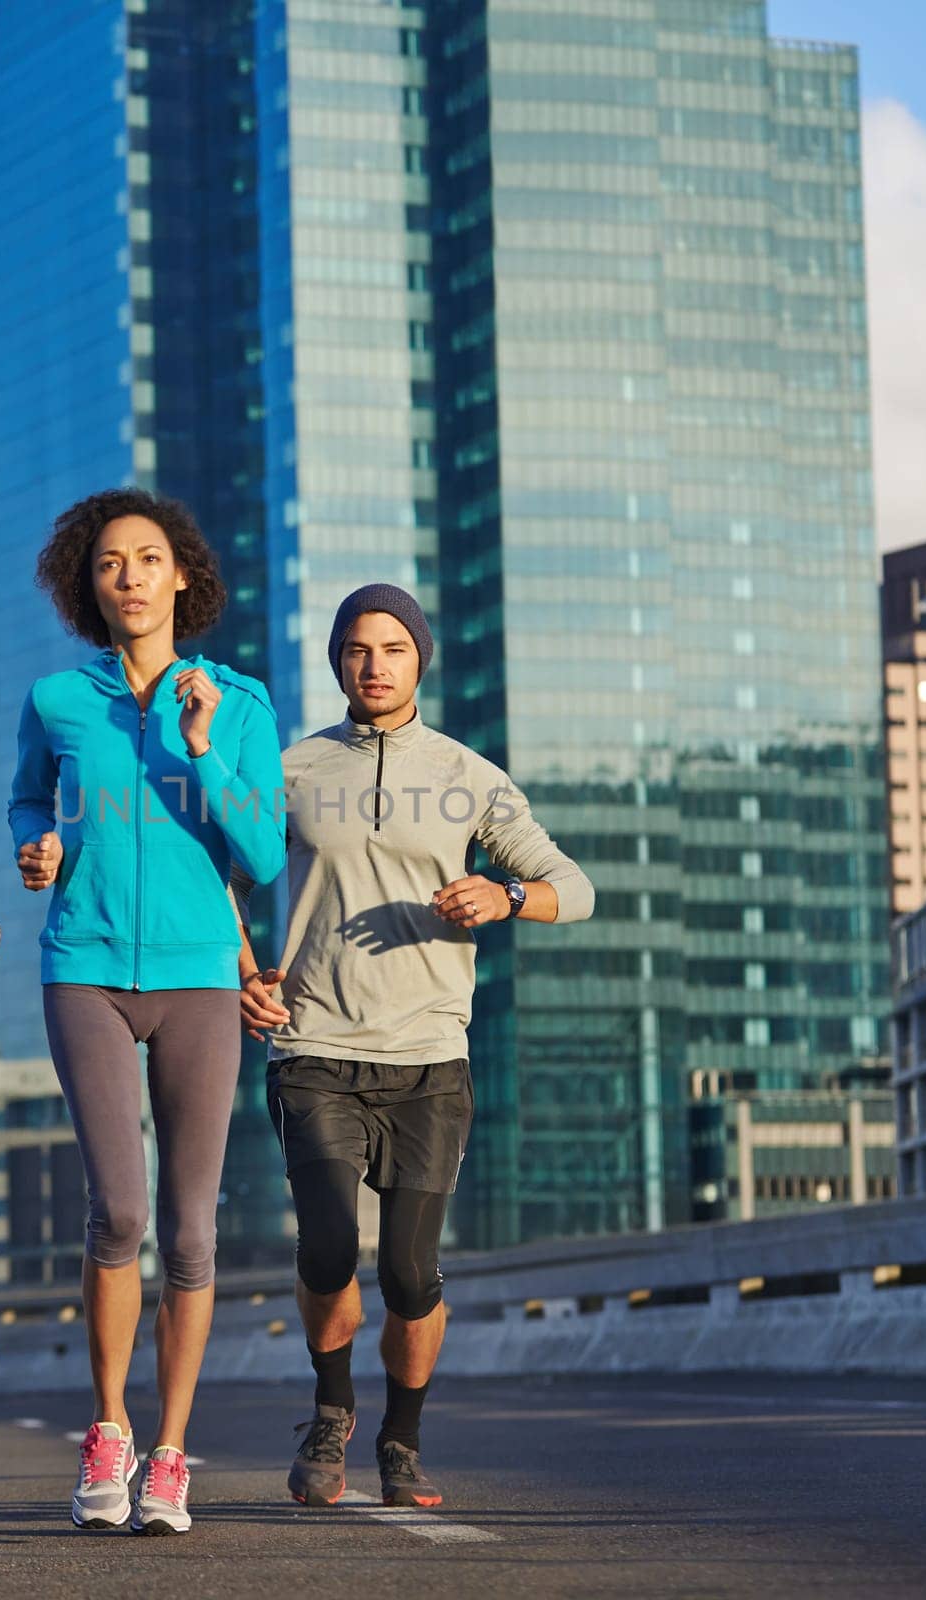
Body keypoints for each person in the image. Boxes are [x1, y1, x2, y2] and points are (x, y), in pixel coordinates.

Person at [231, 583, 594, 1510]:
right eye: (358, 649)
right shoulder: (293, 768)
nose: (375, 664)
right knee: (324, 1250)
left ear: (419, 658)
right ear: (338, 663)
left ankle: (401, 1438)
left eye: (393, 648)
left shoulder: (469, 775)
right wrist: (243, 967)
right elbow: (218, 866)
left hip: (429, 1054)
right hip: (312, 1043)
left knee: (407, 1271)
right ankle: (331, 1412)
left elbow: (573, 887)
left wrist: (506, 897)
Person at [9, 487, 285, 1536]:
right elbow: (32, 804)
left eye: (146, 559)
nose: (127, 575)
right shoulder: (56, 700)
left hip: (201, 976)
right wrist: (43, 850)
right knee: (118, 1210)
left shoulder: (240, 701)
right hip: (82, 962)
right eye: (108, 563)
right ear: (91, 584)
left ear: (182, 577)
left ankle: (170, 1452)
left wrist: (204, 746)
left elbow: (260, 857)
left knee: (191, 1226)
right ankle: (108, 1428)